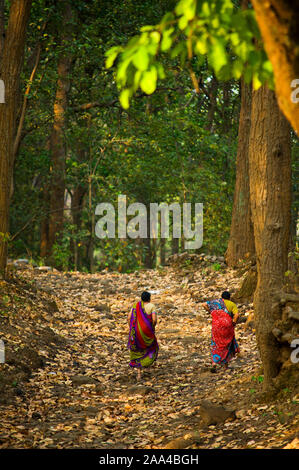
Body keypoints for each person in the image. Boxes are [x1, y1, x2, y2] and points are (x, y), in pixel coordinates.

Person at [201, 291, 240, 372]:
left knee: (215, 343)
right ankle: (225, 366)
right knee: (227, 344)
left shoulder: (215, 302)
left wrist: (211, 311)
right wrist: (233, 322)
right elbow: (236, 315)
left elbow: (204, 304)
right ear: (229, 298)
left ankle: (214, 363)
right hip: (227, 325)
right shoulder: (231, 304)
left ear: (221, 297)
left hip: (216, 325)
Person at [127, 291, 159, 381]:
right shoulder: (152, 306)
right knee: (151, 346)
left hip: (136, 331)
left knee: (136, 350)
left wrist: (131, 328)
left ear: (141, 298)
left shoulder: (135, 306)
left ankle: (138, 374)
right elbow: (154, 319)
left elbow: (129, 318)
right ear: (149, 298)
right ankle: (146, 365)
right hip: (147, 331)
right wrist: (152, 327)